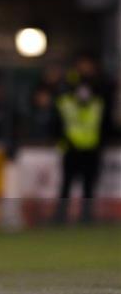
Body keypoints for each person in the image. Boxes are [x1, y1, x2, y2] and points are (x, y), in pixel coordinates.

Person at [53, 80, 104, 224]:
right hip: (71, 150)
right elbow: (56, 123)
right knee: (66, 186)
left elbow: (104, 126)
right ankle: (61, 216)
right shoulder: (65, 103)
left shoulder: (97, 104)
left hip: (91, 151)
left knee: (88, 187)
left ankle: (86, 217)